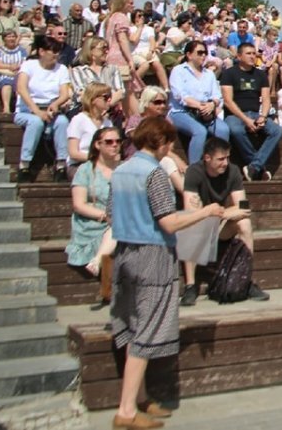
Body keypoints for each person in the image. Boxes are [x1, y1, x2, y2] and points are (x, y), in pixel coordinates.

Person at [109, 117, 231, 428]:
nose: (171, 148)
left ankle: (139, 398)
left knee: (132, 326)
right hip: (152, 255)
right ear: (160, 143)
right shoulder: (155, 174)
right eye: (169, 143)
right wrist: (206, 211)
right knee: (146, 330)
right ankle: (125, 410)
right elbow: (168, 222)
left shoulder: (120, 170)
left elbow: (110, 214)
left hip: (124, 253)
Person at [180, 138, 268, 306]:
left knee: (245, 223)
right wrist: (223, 212)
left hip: (219, 224)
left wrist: (218, 213)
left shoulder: (233, 171)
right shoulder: (194, 172)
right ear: (207, 158)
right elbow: (190, 212)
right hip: (200, 226)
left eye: (227, 158)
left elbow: (244, 207)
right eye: (221, 159)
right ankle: (191, 286)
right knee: (191, 226)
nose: (225, 163)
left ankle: (246, 280)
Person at [67, 127, 120, 304]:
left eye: (118, 141)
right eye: (109, 142)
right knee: (118, 228)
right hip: (91, 222)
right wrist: (106, 215)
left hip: (118, 221)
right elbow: (79, 204)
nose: (115, 145)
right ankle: (105, 280)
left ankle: (98, 264)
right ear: (97, 145)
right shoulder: (85, 170)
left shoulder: (123, 170)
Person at [218, 42, 282, 181]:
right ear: (239, 56)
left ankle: (254, 166)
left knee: (277, 130)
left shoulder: (260, 74)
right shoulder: (229, 73)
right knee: (236, 130)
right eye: (248, 53)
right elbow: (228, 101)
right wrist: (245, 119)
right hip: (235, 114)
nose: (253, 56)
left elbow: (266, 99)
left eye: (254, 53)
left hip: (254, 113)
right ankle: (259, 167)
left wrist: (263, 116)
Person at [14, 34, 72, 181]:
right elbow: (21, 88)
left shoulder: (62, 69)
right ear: (42, 51)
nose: (56, 55)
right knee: (36, 122)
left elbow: (64, 93)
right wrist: (37, 111)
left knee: (62, 122)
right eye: (53, 51)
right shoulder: (29, 65)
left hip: (51, 110)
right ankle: (24, 164)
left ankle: (61, 165)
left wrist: (56, 104)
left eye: (58, 51)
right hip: (27, 110)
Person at [168, 40, 230, 166]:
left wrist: (212, 104)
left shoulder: (209, 74)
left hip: (206, 112)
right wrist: (201, 106)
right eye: (200, 53)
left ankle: (219, 164)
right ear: (189, 54)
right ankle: (194, 169)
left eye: (205, 53)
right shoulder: (178, 71)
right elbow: (179, 95)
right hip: (181, 112)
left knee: (223, 130)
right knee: (200, 131)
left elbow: (217, 96)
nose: (203, 56)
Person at [67, 82, 114, 168]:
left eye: (110, 96)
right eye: (106, 97)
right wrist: (95, 158)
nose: (109, 100)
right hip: (79, 165)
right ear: (93, 100)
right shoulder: (78, 120)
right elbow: (73, 153)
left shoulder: (108, 123)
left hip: (102, 165)